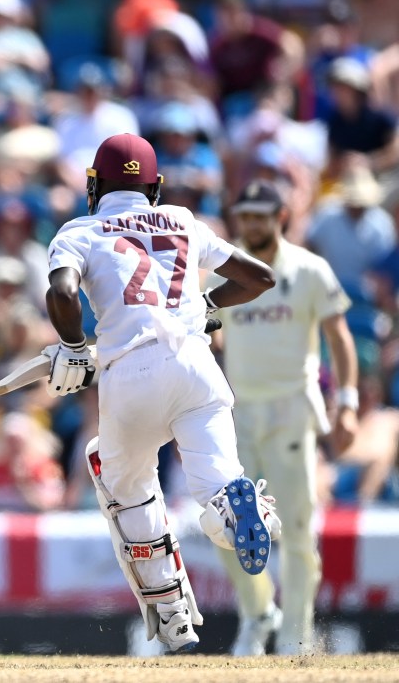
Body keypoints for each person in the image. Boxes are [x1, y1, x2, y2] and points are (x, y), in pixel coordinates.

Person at [43, 134, 282, 653]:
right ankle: (239, 509)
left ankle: (172, 615)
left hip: (131, 371)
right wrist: (207, 307)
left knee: (122, 484)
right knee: (218, 487)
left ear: (94, 185)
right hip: (199, 366)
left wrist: (73, 346)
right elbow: (260, 277)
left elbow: (62, 292)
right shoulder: (182, 220)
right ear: (154, 186)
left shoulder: (80, 230)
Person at [209, 179, 358, 656]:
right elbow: (208, 335)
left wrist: (349, 402)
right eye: (245, 215)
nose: (251, 224)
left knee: (296, 529)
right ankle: (257, 616)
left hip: (293, 409)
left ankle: (295, 637)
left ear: (281, 217)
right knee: (227, 523)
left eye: (261, 215)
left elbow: (339, 338)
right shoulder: (224, 272)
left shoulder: (309, 270)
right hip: (239, 413)